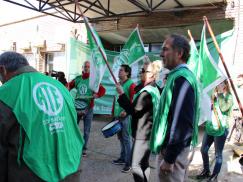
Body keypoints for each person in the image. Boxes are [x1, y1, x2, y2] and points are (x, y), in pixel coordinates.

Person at [0, 51, 83, 182]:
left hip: (31, 173)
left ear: (2, 70)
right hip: (70, 168)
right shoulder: (60, 87)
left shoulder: (5, 94)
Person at [150, 34, 200, 182]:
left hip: (173, 153)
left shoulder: (182, 79)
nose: (161, 54)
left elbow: (183, 124)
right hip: (173, 150)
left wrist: (170, 158)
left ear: (179, 53)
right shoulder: (177, 77)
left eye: (165, 49)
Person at [116, 60, 161, 182]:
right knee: (143, 164)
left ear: (153, 75)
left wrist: (121, 94)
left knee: (137, 167)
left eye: (144, 71)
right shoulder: (153, 88)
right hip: (148, 132)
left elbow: (133, 111)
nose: (140, 73)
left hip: (143, 134)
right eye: (141, 70)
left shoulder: (147, 92)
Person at [196, 80, 233, 181]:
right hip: (210, 127)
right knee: (203, 150)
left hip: (221, 129)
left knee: (218, 154)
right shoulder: (214, 95)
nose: (219, 85)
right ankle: (206, 171)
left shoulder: (229, 97)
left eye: (221, 83)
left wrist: (220, 95)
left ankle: (214, 175)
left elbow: (224, 108)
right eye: (218, 83)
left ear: (226, 85)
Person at [68, 60, 106, 156]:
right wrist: (66, 90)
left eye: (88, 67)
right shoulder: (78, 79)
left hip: (88, 108)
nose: (87, 68)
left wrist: (97, 95)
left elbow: (102, 90)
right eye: (85, 66)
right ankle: (73, 146)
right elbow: (68, 86)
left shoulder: (94, 80)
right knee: (73, 128)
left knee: (86, 130)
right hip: (77, 108)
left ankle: (84, 149)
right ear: (82, 68)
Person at [112, 64, 136, 173]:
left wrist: (126, 111)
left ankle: (129, 163)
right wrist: (113, 112)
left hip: (125, 116)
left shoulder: (131, 85)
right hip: (117, 115)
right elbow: (116, 98)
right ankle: (122, 158)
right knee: (121, 138)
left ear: (127, 73)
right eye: (119, 70)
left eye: (121, 70)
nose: (119, 72)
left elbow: (133, 101)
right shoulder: (118, 84)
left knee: (126, 139)